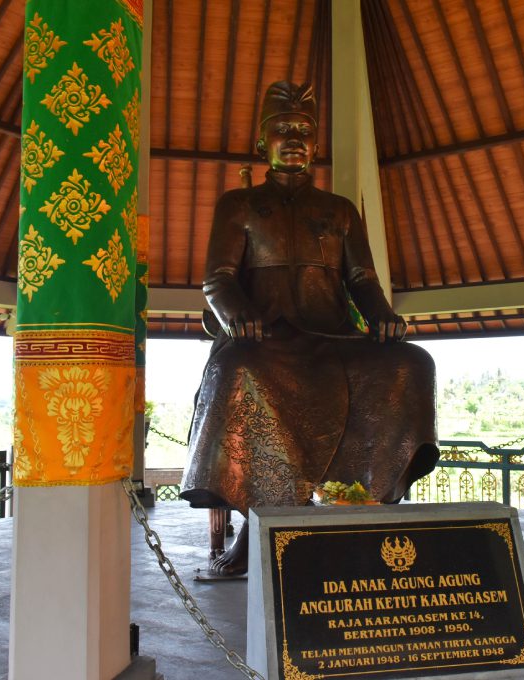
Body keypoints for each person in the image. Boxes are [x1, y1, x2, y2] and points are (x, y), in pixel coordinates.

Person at [180, 81, 438, 575]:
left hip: (333, 335)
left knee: (410, 363)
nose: (294, 138)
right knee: (239, 369)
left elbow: (361, 279)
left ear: (316, 145)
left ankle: (366, 503)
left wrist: (382, 316)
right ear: (262, 143)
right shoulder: (238, 205)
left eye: (303, 130)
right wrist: (239, 318)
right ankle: (260, 524)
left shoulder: (339, 210)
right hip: (267, 338)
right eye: (282, 129)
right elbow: (219, 279)